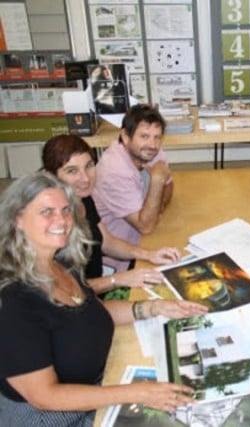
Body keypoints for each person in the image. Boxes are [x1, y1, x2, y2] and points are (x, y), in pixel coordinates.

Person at [0, 172, 208, 426]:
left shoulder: (62, 261)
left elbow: (90, 315)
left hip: (97, 386)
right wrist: (138, 393)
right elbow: (44, 395)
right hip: (51, 416)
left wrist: (152, 307)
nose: (62, 220)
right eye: (46, 212)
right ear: (17, 219)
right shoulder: (12, 301)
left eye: (65, 210)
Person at [42, 134, 181, 295]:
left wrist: (149, 255)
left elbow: (107, 242)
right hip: (78, 303)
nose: (85, 178)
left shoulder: (83, 198)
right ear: (51, 176)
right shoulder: (52, 224)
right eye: (72, 171)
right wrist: (118, 280)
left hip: (98, 286)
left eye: (89, 166)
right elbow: (66, 290)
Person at [93, 104, 173, 272]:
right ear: (126, 136)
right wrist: (157, 180)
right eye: (144, 136)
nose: (152, 144)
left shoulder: (149, 151)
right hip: (121, 260)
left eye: (157, 137)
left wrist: (158, 210)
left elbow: (169, 186)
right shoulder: (114, 170)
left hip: (145, 241)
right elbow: (146, 226)